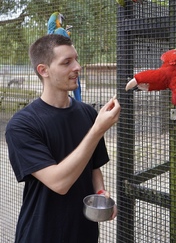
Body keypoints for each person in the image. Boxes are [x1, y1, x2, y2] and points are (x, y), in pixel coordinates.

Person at [5, 34, 121, 243]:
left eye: (76, 59)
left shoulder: (87, 113)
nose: (77, 67)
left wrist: (101, 191)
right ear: (44, 70)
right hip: (42, 233)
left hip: (84, 232)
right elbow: (59, 183)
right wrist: (97, 130)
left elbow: (94, 168)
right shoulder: (22, 125)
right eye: (66, 62)